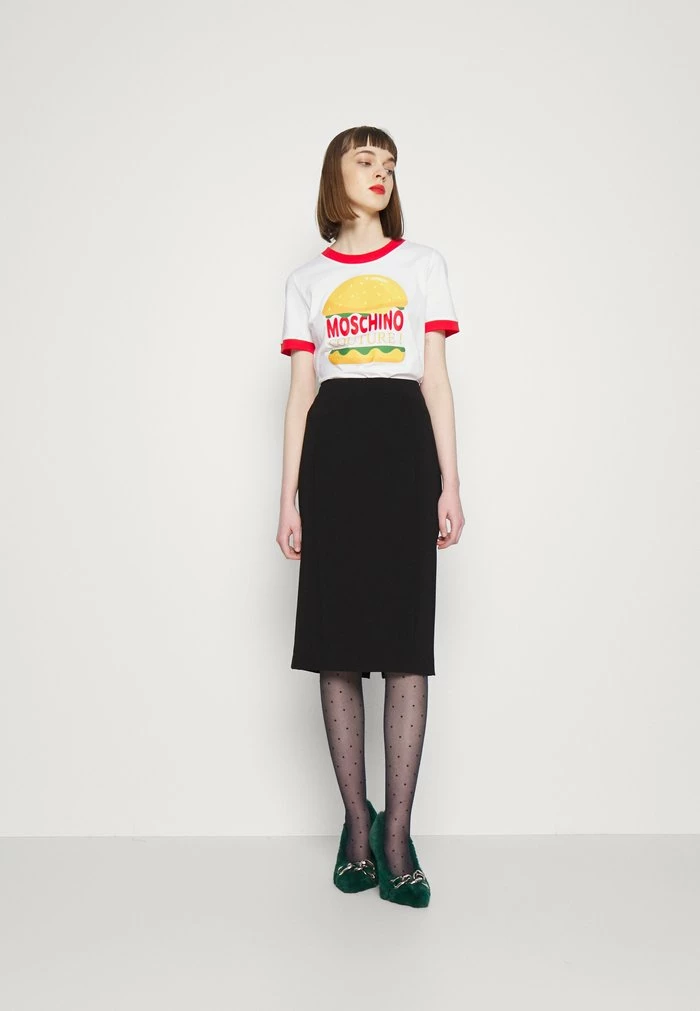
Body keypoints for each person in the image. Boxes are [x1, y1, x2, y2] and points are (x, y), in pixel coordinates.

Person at [276, 126, 465, 907]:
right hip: (334, 459)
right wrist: (287, 495)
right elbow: (300, 393)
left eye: (389, 163)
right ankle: (357, 826)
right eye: (364, 160)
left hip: (402, 453)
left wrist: (451, 483)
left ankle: (397, 837)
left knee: (405, 646)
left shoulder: (423, 266)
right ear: (337, 175)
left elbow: (437, 381)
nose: (380, 172)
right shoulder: (307, 279)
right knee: (338, 646)